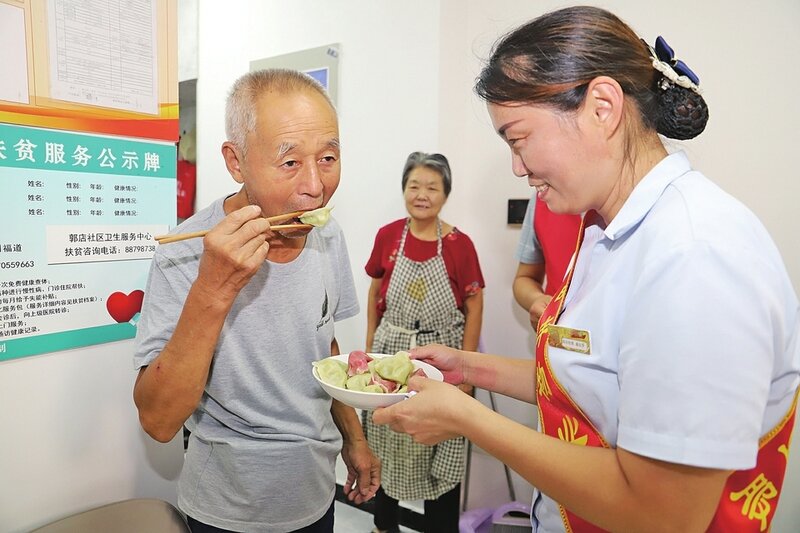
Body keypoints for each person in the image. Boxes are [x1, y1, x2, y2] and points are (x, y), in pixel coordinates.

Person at [372, 6, 800, 532]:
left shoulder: (694, 255)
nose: (517, 167)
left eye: (518, 137)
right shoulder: (603, 233)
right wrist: (468, 369)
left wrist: (465, 417)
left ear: (602, 106)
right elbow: (600, 384)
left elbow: (661, 513)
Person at [133, 69, 380, 533]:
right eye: (289, 163)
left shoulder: (327, 233)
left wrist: (354, 438)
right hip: (227, 508)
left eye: (328, 158)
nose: (315, 185)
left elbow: (323, 343)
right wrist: (213, 287)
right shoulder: (187, 248)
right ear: (236, 161)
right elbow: (159, 420)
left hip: (315, 491)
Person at [362, 151, 484, 533]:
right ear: (404, 190)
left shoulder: (460, 244)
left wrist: (466, 370)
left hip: (441, 365)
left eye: (432, 187)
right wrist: (370, 349)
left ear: (445, 195)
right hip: (390, 359)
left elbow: (474, 302)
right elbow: (375, 291)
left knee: (442, 448)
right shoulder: (387, 236)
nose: (422, 194)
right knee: (387, 443)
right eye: (414, 185)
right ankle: (384, 526)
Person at [513, 195, 581, 326]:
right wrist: (538, 300)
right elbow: (524, 278)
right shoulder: (542, 200)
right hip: (558, 337)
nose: (520, 173)